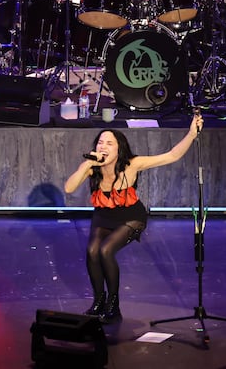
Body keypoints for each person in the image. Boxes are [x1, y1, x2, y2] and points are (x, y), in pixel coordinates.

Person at [64, 113, 203, 322]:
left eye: (109, 143)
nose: (103, 146)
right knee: (92, 251)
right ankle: (98, 301)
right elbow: (69, 188)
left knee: (105, 250)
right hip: (103, 216)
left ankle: (113, 304)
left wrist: (191, 134)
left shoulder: (133, 164)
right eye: (100, 142)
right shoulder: (93, 169)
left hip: (131, 217)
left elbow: (172, 155)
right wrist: (87, 165)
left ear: (119, 148)